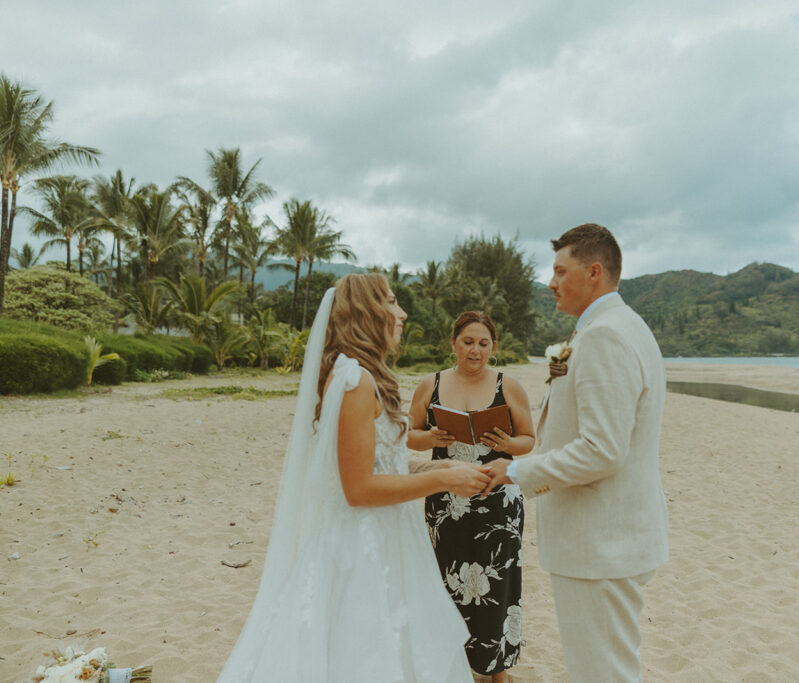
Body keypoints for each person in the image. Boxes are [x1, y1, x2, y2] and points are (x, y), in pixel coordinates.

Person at [217, 273, 490, 682]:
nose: (402, 313)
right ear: (367, 311)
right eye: (393, 302)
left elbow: (383, 464)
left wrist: (443, 467)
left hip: (390, 539)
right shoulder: (354, 381)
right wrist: (444, 482)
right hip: (362, 548)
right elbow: (358, 489)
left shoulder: (366, 376)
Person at [484, 224, 669, 682]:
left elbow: (603, 451)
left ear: (594, 272)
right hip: (607, 539)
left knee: (602, 674)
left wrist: (519, 471)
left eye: (560, 271)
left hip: (600, 544)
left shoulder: (605, 336)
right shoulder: (617, 327)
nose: (551, 282)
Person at [407, 312, 535, 683]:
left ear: (493, 347)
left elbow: (529, 440)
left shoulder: (508, 385)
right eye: (467, 342)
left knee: (501, 581)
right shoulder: (429, 384)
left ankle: (497, 672)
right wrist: (431, 439)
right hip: (448, 502)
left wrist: (508, 444)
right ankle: (456, 667)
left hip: (499, 499)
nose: (475, 350)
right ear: (453, 344)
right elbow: (409, 433)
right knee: (448, 581)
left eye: (483, 343)